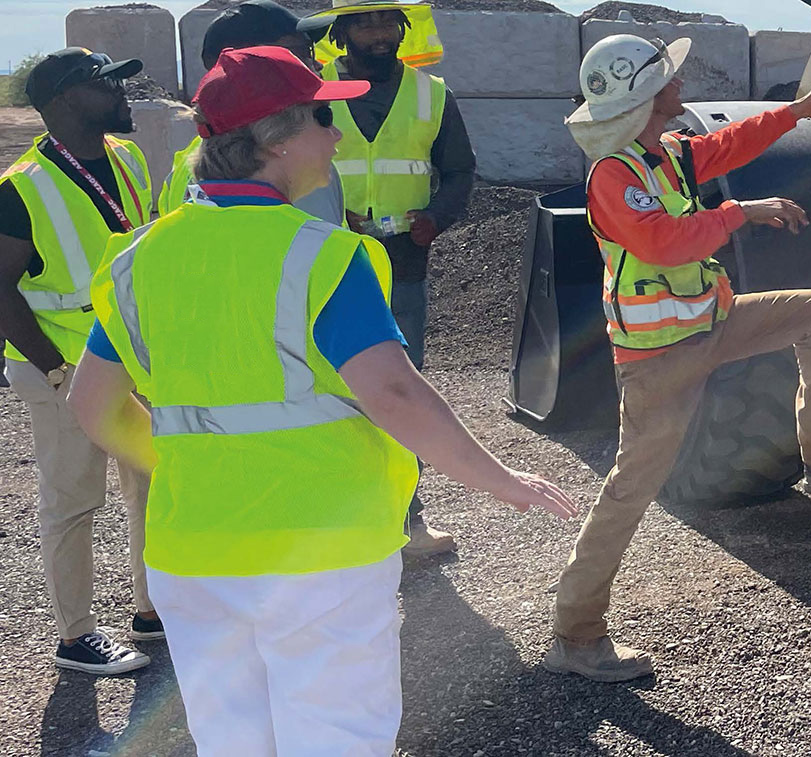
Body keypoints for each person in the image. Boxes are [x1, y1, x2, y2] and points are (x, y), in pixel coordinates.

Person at [65, 46, 577, 753]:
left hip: (191, 549)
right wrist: (502, 479)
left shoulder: (140, 257)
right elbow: (394, 392)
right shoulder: (320, 253)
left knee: (234, 741)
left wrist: (189, 463)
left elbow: (92, 407)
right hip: (321, 548)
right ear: (275, 139)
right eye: (323, 116)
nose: (337, 134)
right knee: (336, 737)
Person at [544, 34, 811, 683]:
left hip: (714, 321)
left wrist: (801, 109)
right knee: (629, 490)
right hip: (656, 362)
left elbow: (731, 144)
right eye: (670, 78)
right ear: (648, 98)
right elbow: (663, 242)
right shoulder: (612, 176)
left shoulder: (666, 155)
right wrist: (742, 211)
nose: (682, 83)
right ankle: (575, 632)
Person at [0, 48, 158, 675]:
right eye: (107, 84)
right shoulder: (20, 191)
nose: (125, 93)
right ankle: (75, 637)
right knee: (72, 497)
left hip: (134, 365)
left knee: (151, 479)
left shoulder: (128, 159)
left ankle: (153, 612)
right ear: (63, 101)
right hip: (62, 370)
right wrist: (59, 372)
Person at [301, 0, 477, 556]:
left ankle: (406, 521)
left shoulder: (433, 95)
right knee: (325, 386)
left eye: (386, 22)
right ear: (341, 31)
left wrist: (437, 217)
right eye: (363, 22)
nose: (378, 32)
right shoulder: (310, 88)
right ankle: (338, 519)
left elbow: (460, 169)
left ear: (404, 28)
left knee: (401, 387)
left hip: (403, 262)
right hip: (325, 260)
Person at [158, 0, 343, 223]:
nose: (316, 64)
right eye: (299, 54)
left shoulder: (189, 163)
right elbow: (322, 249)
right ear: (246, 64)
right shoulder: (295, 164)